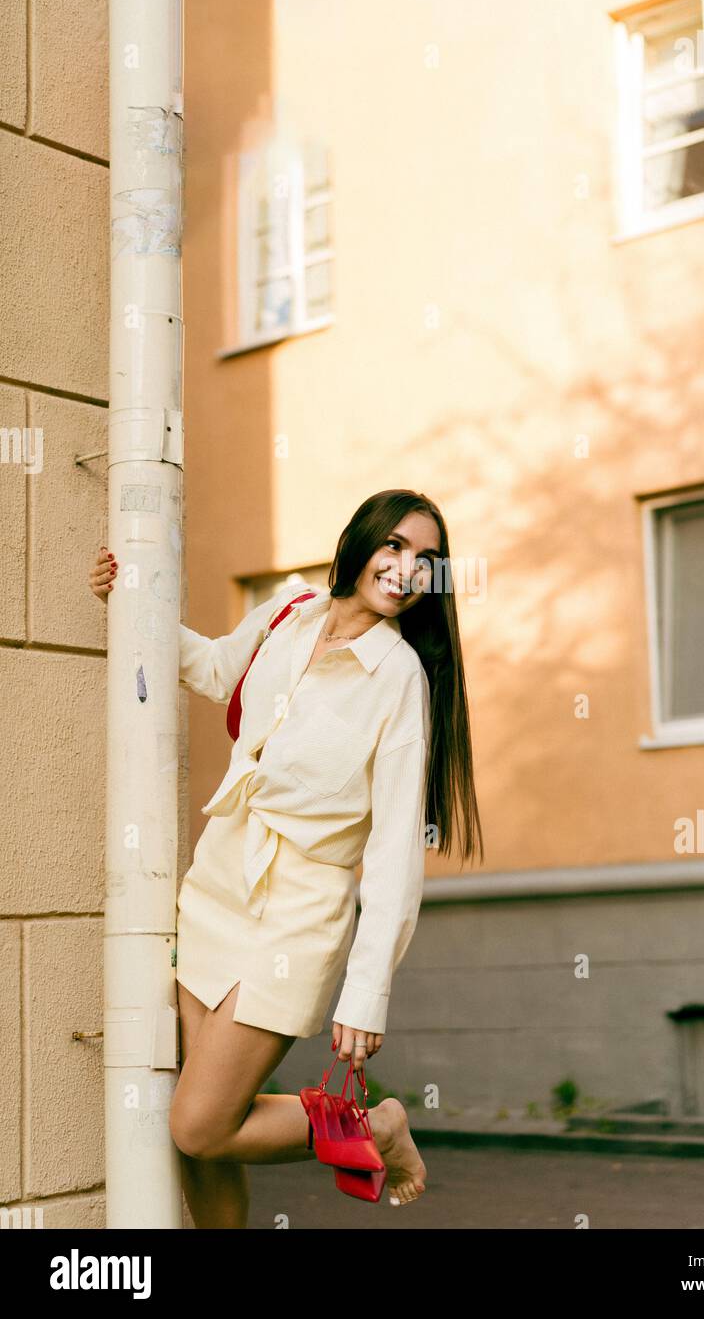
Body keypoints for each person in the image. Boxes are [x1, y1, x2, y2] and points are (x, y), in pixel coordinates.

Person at [89, 488, 483, 1225]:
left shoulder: (398, 680)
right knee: (199, 1137)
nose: (406, 569)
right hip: (217, 885)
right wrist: (132, 603)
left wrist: (366, 995)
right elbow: (210, 669)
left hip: (296, 918)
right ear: (360, 541)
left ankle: (376, 1128)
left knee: (199, 1122)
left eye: (426, 561)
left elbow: (397, 853)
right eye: (394, 545)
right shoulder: (290, 612)